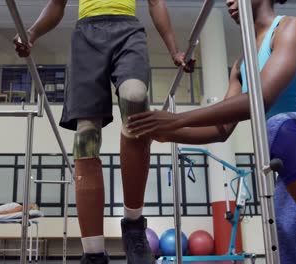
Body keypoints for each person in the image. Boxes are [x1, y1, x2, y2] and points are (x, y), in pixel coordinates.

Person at [127, 0, 296, 263]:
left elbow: (262, 97)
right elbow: (221, 130)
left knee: (280, 127)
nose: (229, 1)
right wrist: (163, 132)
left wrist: (175, 120)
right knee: (288, 257)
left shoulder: (292, 28)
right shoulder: (241, 65)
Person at [13, 0, 193, 263]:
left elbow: (156, 3)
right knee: (86, 137)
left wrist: (175, 50)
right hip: (86, 35)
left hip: (127, 30)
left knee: (135, 98)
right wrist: (31, 34)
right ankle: (94, 252)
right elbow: (56, 4)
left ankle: (133, 226)